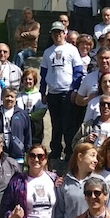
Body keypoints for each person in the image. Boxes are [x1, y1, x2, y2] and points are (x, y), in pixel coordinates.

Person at [41, 21, 86, 161]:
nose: (57, 35)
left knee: (68, 123)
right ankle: (55, 151)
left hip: (67, 92)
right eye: (54, 33)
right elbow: (43, 73)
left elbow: (78, 71)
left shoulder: (72, 50)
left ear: (64, 33)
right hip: (53, 93)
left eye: (59, 32)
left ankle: (69, 151)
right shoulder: (48, 52)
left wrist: (74, 89)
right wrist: (43, 92)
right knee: (56, 124)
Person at [0, 87, 31, 163]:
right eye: (7, 96)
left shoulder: (23, 115)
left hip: (17, 154)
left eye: (12, 96)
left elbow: (28, 135)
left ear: (15, 99)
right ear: (2, 98)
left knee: (17, 175)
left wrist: (28, 152)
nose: (9, 99)